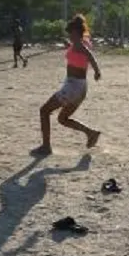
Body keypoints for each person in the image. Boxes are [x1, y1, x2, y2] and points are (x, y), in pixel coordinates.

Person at [35, 14, 101, 156]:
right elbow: (78, 50)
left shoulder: (79, 44)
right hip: (80, 87)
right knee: (62, 119)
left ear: (76, 33)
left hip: (72, 87)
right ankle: (91, 133)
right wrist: (68, 44)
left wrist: (97, 71)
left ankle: (46, 147)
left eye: (70, 34)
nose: (70, 36)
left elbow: (89, 55)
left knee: (44, 111)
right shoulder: (81, 42)